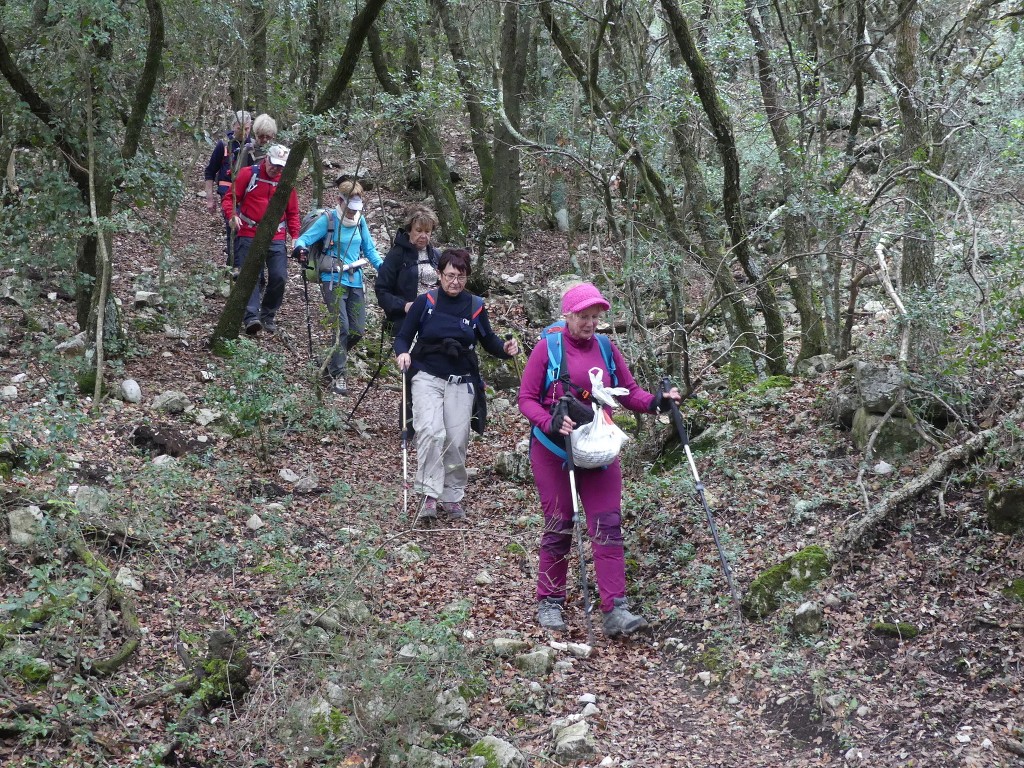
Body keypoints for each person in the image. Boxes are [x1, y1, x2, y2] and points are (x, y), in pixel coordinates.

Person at [517, 282, 682, 638]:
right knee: (559, 524)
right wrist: (549, 421)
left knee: (607, 526)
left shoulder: (607, 348)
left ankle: (615, 609)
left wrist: (658, 402)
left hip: (600, 448)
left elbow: (630, 393)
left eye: (595, 317)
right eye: (583, 316)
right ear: (567, 315)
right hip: (554, 450)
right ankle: (549, 602)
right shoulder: (548, 349)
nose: (590, 323)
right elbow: (527, 398)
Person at [395, 249, 519, 523]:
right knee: (430, 431)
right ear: (439, 275)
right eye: (450, 275)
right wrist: (402, 353)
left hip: (461, 380)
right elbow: (403, 337)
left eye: (460, 276)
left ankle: (452, 496)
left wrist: (506, 349)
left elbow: (489, 342)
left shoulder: (474, 305)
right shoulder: (425, 302)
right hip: (427, 376)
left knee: (456, 439)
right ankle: (429, 494)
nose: (455, 282)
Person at [292, 180, 382, 394]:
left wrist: (385, 270)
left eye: (356, 208)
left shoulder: (360, 222)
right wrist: (300, 249)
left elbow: (369, 250)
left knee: (357, 331)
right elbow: (303, 239)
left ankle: (328, 361)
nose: (353, 213)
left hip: (356, 281)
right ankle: (338, 376)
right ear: (340, 201)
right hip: (333, 280)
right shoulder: (328, 220)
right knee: (341, 327)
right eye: (350, 208)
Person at [222, 143, 300, 336]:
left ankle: (268, 315)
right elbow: (230, 198)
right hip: (248, 231)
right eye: (273, 164)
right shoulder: (249, 174)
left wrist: (295, 236)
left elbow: (293, 212)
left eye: (281, 166)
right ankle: (251, 317)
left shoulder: (287, 183)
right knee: (251, 275)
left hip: (276, 236)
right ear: (266, 158)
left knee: (279, 276)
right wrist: (232, 215)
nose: (276, 169)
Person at [374, 204, 441, 336]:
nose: (423, 235)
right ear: (409, 230)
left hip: (436, 317)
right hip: (406, 319)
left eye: (427, 231)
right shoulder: (396, 255)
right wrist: (404, 306)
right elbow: (381, 291)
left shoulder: (436, 255)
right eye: (419, 230)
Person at [203, 110, 252, 260]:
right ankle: (234, 266)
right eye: (239, 128)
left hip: (248, 197)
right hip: (228, 196)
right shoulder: (223, 146)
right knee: (234, 228)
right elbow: (210, 172)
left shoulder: (253, 146)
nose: (243, 132)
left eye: (247, 129)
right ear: (233, 126)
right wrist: (210, 198)